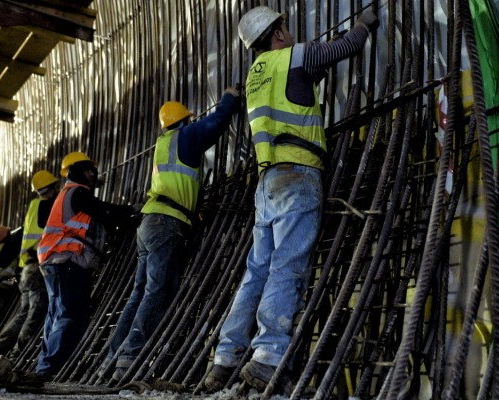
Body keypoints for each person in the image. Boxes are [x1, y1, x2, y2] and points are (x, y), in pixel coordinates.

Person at [204, 6, 379, 392]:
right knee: (288, 265)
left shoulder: (256, 75)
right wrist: (366, 24)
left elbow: (298, 87)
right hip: (298, 173)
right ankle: (268, 354)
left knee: (257, 271)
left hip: (267, 182)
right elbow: (345, 47)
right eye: (286, 27)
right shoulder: (297, 55)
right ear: (279, 33)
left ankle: (225, 356)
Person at [107, 88, 241, 382]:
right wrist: (230, 99)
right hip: (168, 222)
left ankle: (115, 356)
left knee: (139, 293)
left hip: (150, 222)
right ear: (184, 120)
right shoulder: (186, 136)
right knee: (157, 292)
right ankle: (130, 357)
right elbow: (216, 124)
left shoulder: (163, 142)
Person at [34, 152, 136, 379]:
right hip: (65, 260)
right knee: (67, 315)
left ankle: (46, 367)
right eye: (89, 170)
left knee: (56, 315)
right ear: (78, 170)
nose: (93, 174)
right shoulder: (77, 193)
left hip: (54, 260)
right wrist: (131, 211)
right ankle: (48, 370)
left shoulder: (67, 194)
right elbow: (104, 212)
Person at [0, 170, 59, 359]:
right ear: (51, 189)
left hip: (26, 269)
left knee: (23, 312)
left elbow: (13, 244)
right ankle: (17, 353)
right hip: (38, 267)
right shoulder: (49, 206)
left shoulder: (33, 208)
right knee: (35, 313)